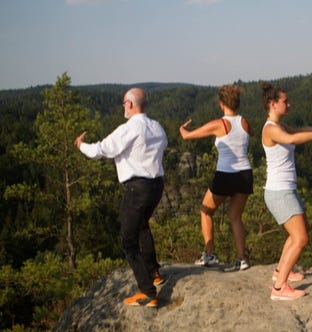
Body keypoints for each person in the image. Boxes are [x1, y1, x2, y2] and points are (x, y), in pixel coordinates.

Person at [75, 88, 167, 307]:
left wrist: (80, 145)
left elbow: (101, 150)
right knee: (143, 225)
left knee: (128, 241)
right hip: (157, 185)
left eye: (124, 103)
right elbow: (161, 147)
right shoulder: (157, 126)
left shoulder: (129, 129)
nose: (123, 107)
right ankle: (154, 272)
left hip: (138, 187)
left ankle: (147, 292)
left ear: (132, 105)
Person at [260, 82, 312, 300]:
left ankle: (280, 271)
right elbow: (293, 139)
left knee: (298, 234)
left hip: (286, 190)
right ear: (273, 104)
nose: (289, 104)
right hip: (279, 192)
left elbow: (299, 131)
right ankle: (279, 288)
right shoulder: (271, 129)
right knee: (301, 238)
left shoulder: (281, 126)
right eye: (285, 101)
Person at [179, 84, 253, 271]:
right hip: (245, 174)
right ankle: (241, 259)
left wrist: (182, 129)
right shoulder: (245, 122)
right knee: (235, 217)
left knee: (206, 211)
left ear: (221, 104)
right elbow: (250, 134)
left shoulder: (218, 124)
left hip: (226, 175)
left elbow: (187, 136)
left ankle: (210, 254)